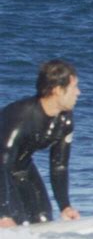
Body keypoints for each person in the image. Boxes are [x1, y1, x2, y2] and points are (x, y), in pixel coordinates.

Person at [0, 59, 81, 228]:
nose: (78, 92)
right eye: (74, 87)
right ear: (58, 90)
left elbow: (59, 166)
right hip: (2, 168)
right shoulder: (19, 118)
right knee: (11, 221)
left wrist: (65, 206)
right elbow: (2, 165)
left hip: (22, 168)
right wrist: (3, 214)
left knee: (43, 222)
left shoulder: (65, 120)